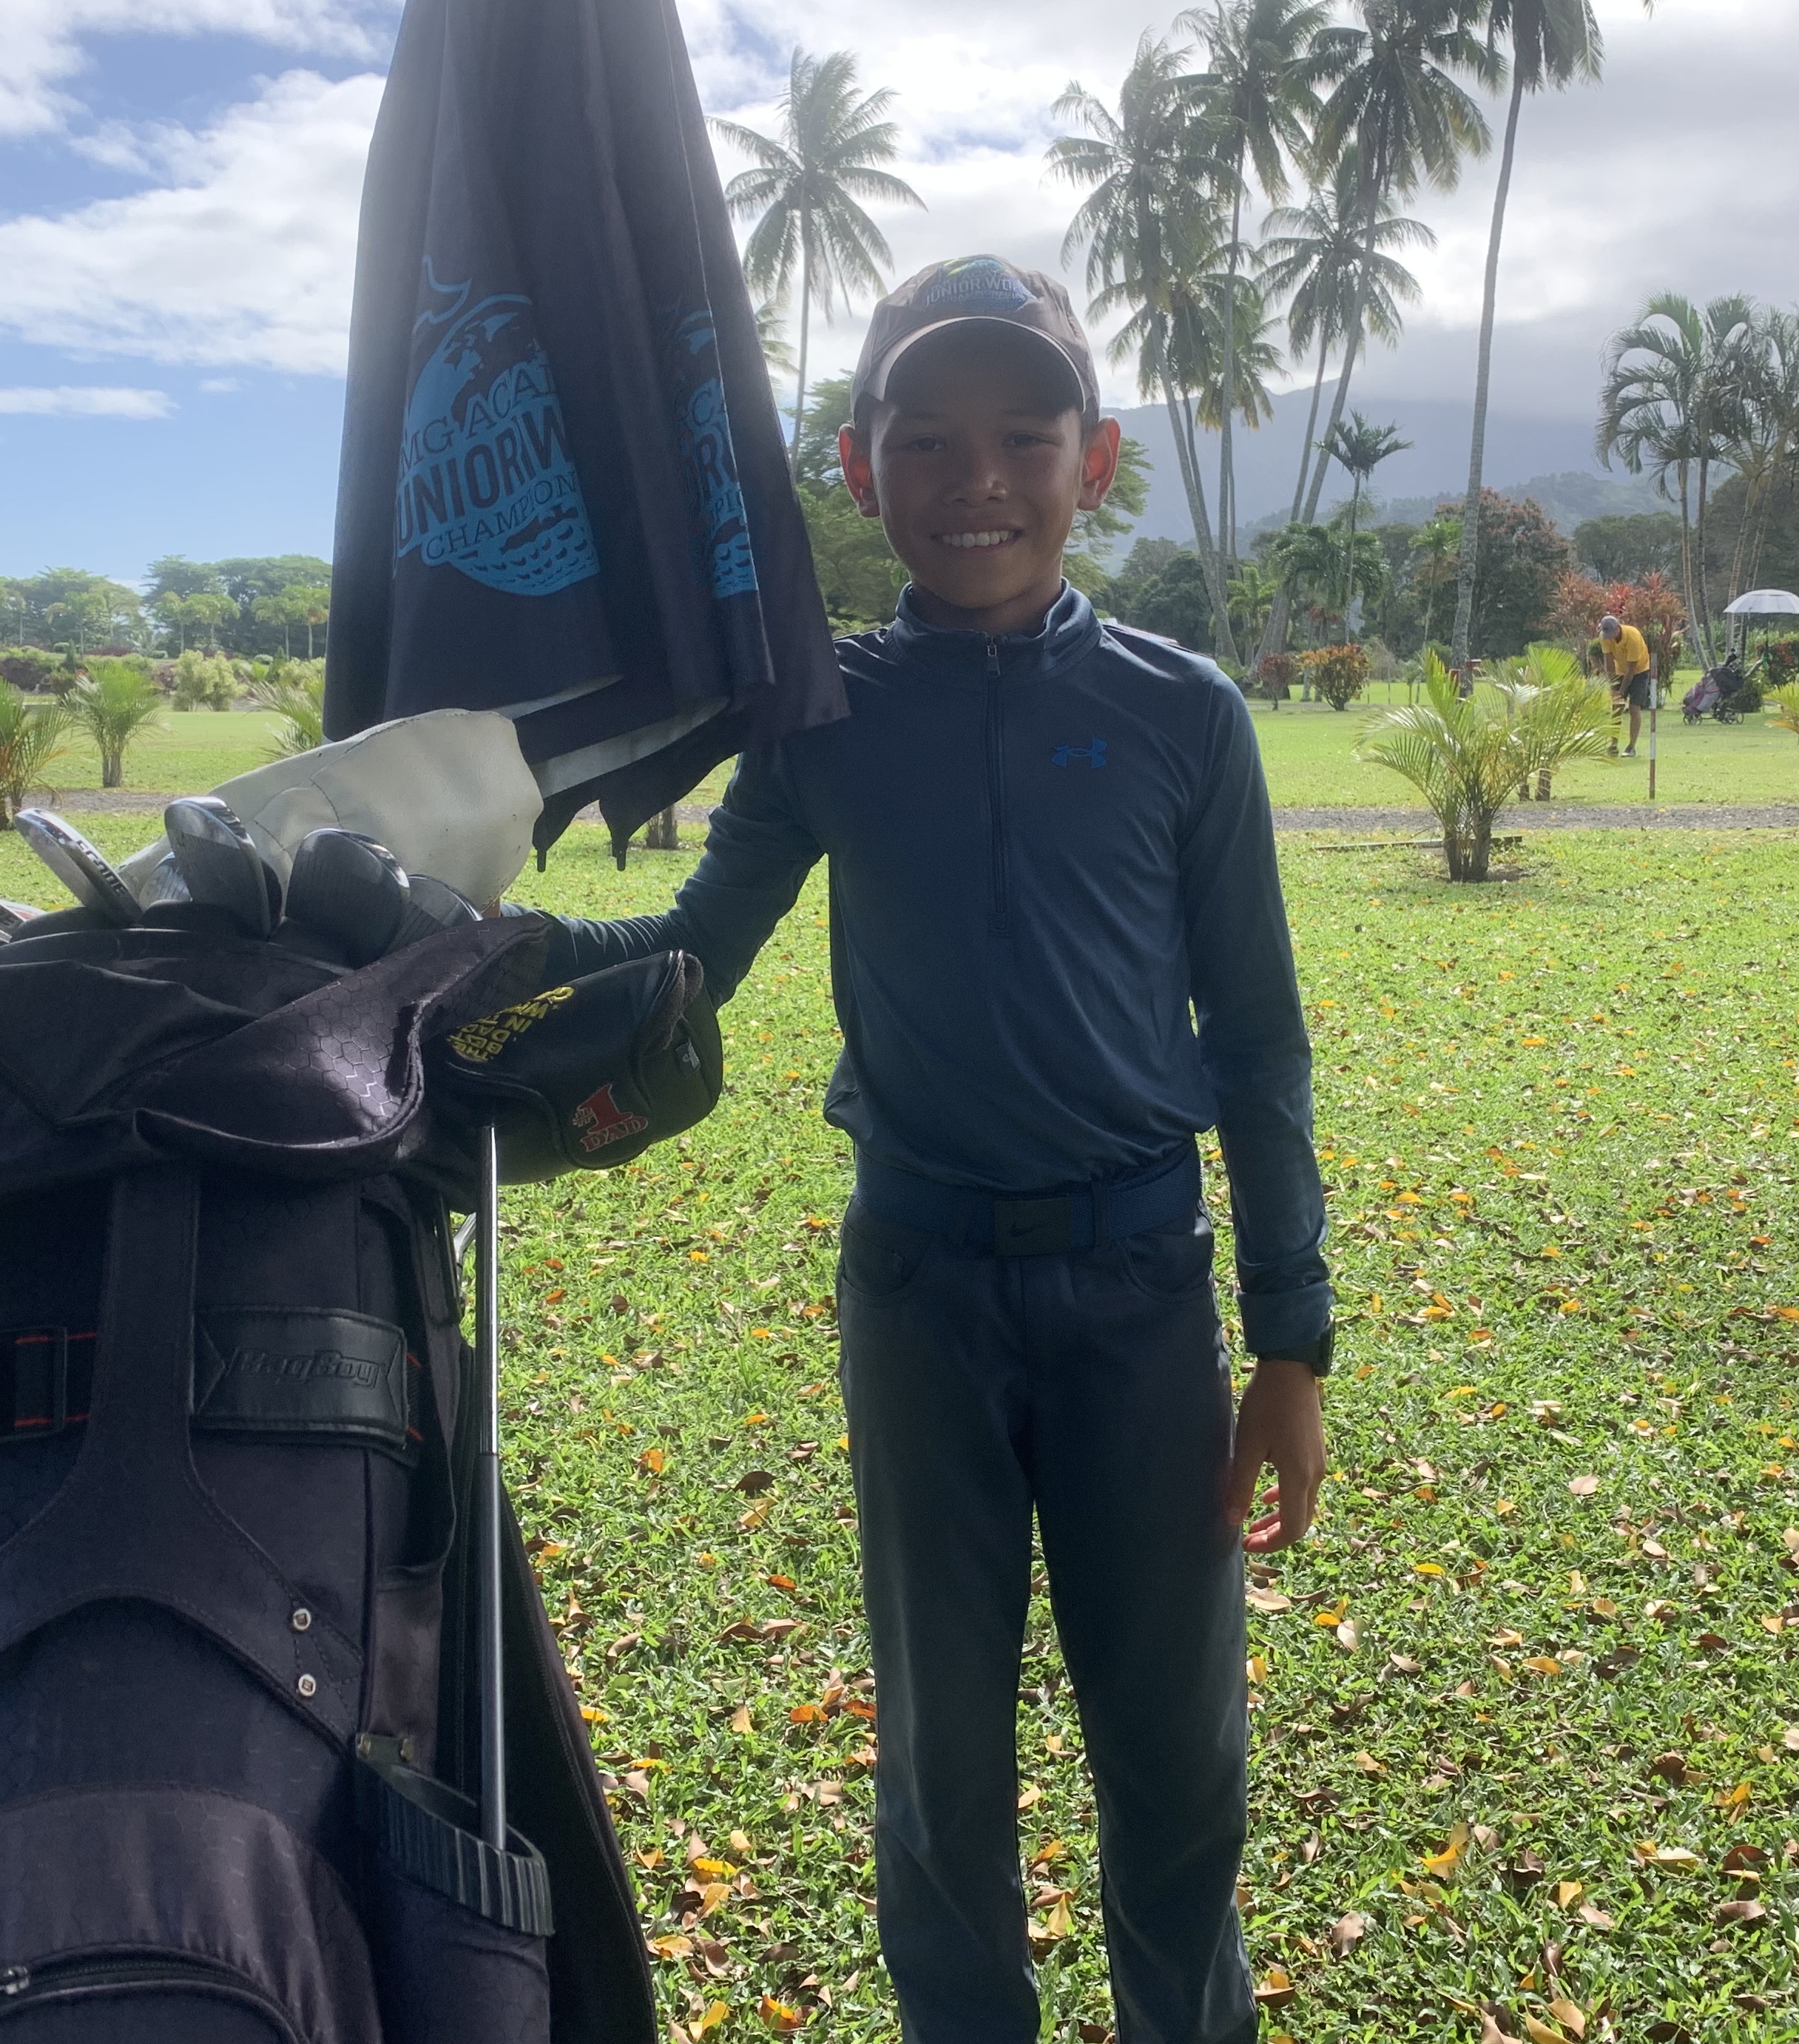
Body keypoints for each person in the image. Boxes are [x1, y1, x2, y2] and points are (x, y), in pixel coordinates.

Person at [536, 256, 1331, 2044]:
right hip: (919, 1297)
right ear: (857, 463)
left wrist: (1289, 1341)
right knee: (940, 1771)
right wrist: (430, 931)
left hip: (1143, 1299)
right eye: (931, 437)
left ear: (1096, 457)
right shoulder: (822, 715)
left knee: (1179, 1771)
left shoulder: (1182, 710)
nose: (980, 476)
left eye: (1023, 434)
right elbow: (685, 959)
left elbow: (1258, 1037)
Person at [1595, 613, 1653, 752]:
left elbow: (1631, 670)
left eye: (1611, 633)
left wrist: (1622, 691)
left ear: (1618, 628)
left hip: (1639, 671)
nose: (1609, 637)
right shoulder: (1605, 637)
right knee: (1616, 709)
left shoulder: (1633, 636)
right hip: (1620, 670)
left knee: (1634, 708)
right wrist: (1613, 685)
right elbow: (1609, 662)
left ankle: (1631, 746)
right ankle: (1613, 746)